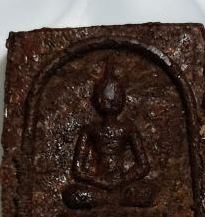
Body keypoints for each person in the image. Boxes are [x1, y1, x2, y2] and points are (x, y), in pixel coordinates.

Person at [62, 59, 155, 209]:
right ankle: (111, 200)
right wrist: (100, 182)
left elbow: (143, 166)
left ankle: (110, 200)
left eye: (116, 97)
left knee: (147, 192)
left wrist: (122, 180)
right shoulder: (90, 130)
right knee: (72, 194)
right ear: (98, 100)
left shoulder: (128, 129)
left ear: (123, 100)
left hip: (123, 184)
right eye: (107, 98)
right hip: (97, 186)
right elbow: (78, 170)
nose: (111, 102)